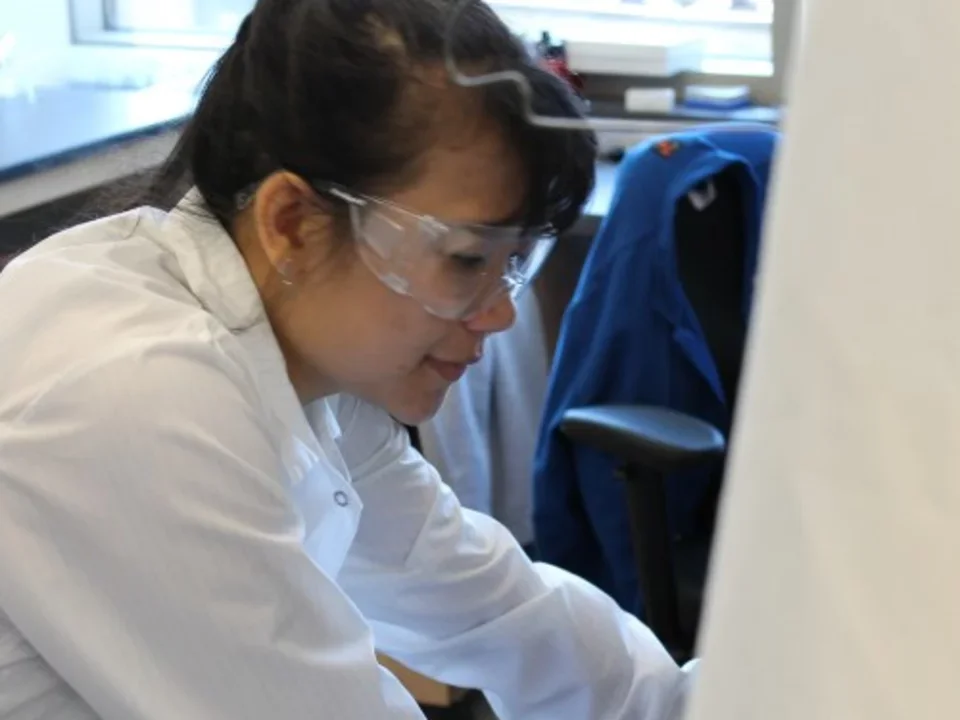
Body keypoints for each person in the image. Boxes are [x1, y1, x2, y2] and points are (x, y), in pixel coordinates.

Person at [0, 1, 695, 718]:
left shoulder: (305, 365)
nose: (501, 312)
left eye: (513, 263)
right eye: (464, 258)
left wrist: (700, 700)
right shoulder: (135, 396)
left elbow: (490, 605)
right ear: (291, 224)